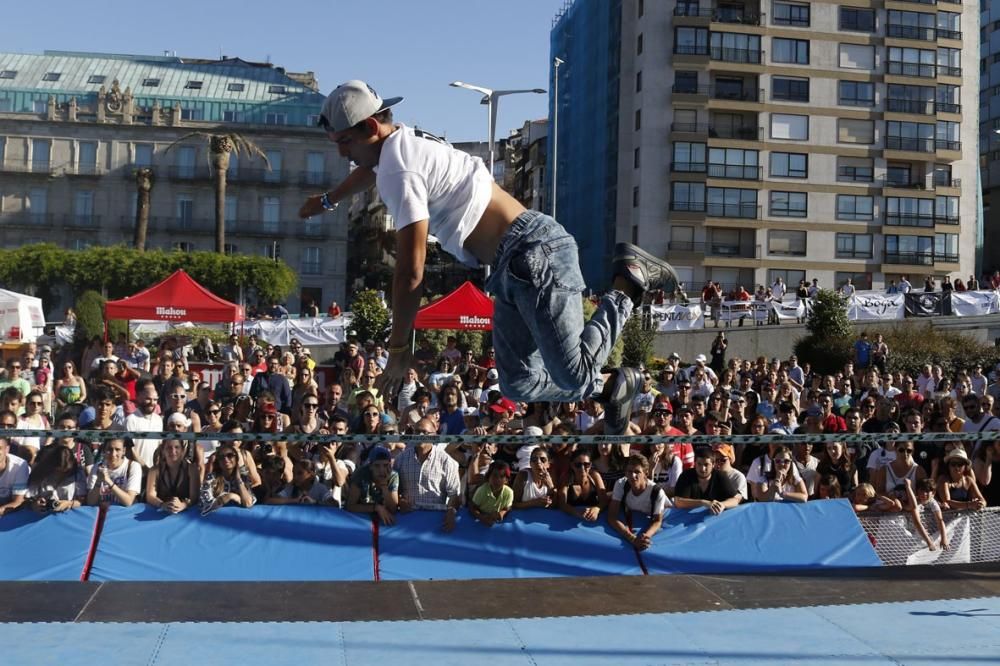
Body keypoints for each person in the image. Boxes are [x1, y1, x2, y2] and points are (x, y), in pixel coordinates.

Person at [301, 80, 678, 435]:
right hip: (511, 266)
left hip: (534, 252)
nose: (341, 153)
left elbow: (410, 273)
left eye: (345, 141)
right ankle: (611, 387)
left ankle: (627, 283)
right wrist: (328, 200)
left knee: (572, 376)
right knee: (519, 382)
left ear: (370, 126)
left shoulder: (400, 168)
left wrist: (399, 350)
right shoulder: (400, 144)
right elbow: (370, 168)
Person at [672, 448, 741, 515]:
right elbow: (678, 502)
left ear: (713, 464)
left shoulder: (720, 476)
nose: (702, 468)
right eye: (699, 464)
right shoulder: (686, 475)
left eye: (706, 464)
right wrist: (703, 503)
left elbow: (736, 499)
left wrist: (722, 505)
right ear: (695, 463)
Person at [346, 446, 399, 525]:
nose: (381, 470)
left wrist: (384, 485)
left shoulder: (393, 476)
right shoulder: (360, 474)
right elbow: (350, 506)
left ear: (389, 466)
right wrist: (376, 508)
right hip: (362, 518)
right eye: (377, 466)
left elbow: (393, 509)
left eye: (385, 465)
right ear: (370, 466)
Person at [25, 445, 86, 513]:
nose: (61, 474)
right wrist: (34, 504)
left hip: (67, 515)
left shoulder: (78, 474)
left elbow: (82, 501)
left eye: (65, 472)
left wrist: (69, 504)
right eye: (58, 471)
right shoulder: (39, 472)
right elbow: (26, 499)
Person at [145, 438, 198, 514]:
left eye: (177, 447)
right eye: (169, 447)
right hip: (162, 512)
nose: (173, 451)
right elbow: (150, 496)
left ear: (183, 450)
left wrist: (183, 505)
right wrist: (162, 505)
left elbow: (194, 497)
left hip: (186, 514)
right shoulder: (154, 471)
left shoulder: (192, 469)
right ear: (163, 450)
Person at [86, 438, 141, 507]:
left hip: (124, 513)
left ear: (124, 451)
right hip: (103, 512)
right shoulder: (97, 467)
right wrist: (98, 481)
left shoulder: (133, 466)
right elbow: (90, 502)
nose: (113, 454)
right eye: (110, 449)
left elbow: (129, 501)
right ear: (104, 450)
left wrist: (109, 481)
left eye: (117, 449)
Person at [556, 448, 606, 522]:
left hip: (591, 522)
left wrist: (596, 509)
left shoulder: (595, 476)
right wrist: (576, 512)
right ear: (572, 465)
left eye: (586, 464)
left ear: (590, 465)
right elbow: (561, 503)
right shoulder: (567, 478)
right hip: (570, 520)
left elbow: (604, 500)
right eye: (578, 465)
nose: (582, 468)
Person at [470, 460, 514, 527]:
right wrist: (482, 518)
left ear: (506, 480)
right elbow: (472, 507)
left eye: (501, 476)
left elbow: (507, 508)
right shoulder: (482, 490)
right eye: (494, 475)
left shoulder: (509, 493)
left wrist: (502, 513)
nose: (497, 479)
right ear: (488, 477)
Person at [0, 436, 29, 516]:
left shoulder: (20, 466)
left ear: (7, 449)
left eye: (0, 448)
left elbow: (18, 502)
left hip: (10, 512)